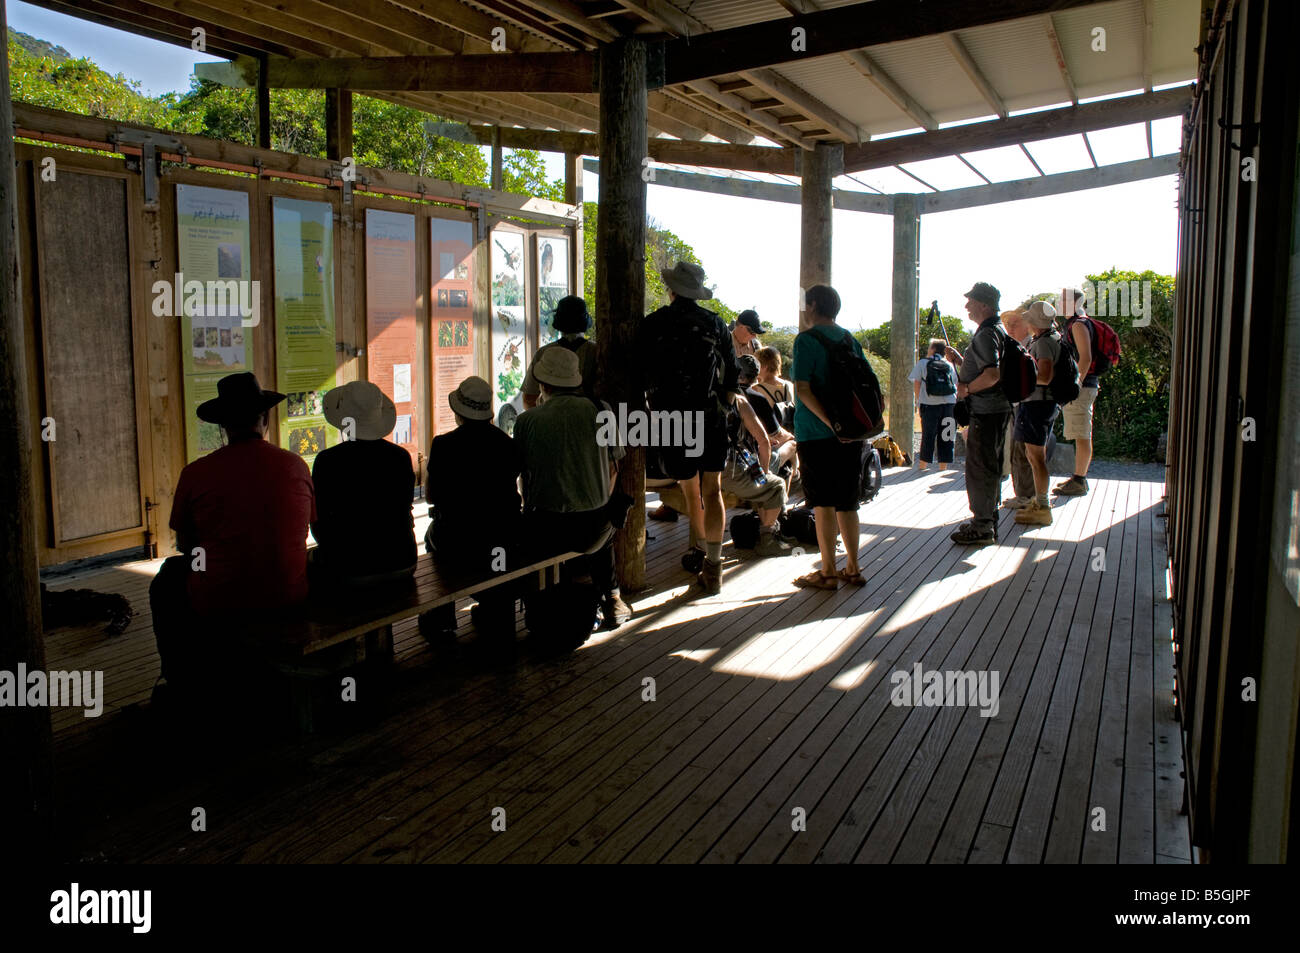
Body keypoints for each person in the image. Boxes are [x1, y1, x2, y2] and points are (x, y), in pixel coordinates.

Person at [149, 372, 315, 694]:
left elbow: (186, 544)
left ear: (222, 426)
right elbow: (306, 527)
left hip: (221, 599)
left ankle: (180, 678)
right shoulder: (295, 465)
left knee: (169, 578)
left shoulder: (196, 473)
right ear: (264, 418)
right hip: (288, 594)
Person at [640, 261, 739, 595]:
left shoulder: (653, 324)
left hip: (671, 421)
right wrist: (721, 409)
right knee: (713, 491)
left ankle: (695, 547)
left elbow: (637, 373)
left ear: (671, 290)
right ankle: (712, 565)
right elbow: (732, 377)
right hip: (710, 418)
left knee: (689, 486)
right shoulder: (715, 324)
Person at [513, 347, 632, 628]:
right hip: (592, 529)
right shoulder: (602, 412)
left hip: (544, 531)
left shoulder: (526, 421)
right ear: (577, 381)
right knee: (603, 521)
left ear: (542, 384)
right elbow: (614, 469)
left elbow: (523, 478)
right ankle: (613, 598)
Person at [421, 376, 523, 637]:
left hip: (458, 543)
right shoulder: (507, 444)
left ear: (459, 413)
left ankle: (442, 618)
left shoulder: (443, 445)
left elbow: (431, 497)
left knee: (432, 537)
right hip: (504, 541)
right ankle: (494, 607)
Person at [790, 284, 866, 589]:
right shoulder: (849, 339)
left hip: (815, 434)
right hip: (850, 435)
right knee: (848, 502)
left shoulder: (806, 341)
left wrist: (829, 423)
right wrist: (845, 428)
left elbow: (803, 389)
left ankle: (828, 572)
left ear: (813, 306)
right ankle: (854, 567)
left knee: (822, 503)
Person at [312, 380, 417, 586]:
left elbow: (318, 522)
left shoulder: (328, 461)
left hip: (350, 568)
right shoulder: (400, 457)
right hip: (402, 562)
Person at [945, 281, 1011, 546]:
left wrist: (966, 388)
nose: (966, 306)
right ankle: (989, 518)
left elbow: (992, 375)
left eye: (971, 301)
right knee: (990, 465)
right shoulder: (997, 330)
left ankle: (982, 526)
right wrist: (962, 362)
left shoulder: (985, 334)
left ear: (984, 304)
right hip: (998, 408)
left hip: (985, 410)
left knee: (979, 467)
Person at [725, 357, 793, 557]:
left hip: (704, 470)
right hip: (731, 468)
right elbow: (764, 440)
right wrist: (763, 473)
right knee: (775, 484)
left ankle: (773, 529)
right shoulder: (740, 401)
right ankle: (768, 538)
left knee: (764, 478)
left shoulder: (704, 397)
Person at [1013, 300, 1062, 526]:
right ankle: (1039, 502)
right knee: (1034, 456)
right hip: (1043, 404)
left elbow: (1045, 376)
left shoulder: (1043, 343)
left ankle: (1042, 506)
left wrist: (1020, 378)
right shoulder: (1053, 338)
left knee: (1036, 457)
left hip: (1038, 405)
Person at [1054, 287, 1097, 497]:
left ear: (1076, 302)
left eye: (1063, 299)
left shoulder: (1079, 325)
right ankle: (1078, 478)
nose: (1059, 303)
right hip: (1083, 385)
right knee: (1080, 432)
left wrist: (1075, 385)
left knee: (1081, 433)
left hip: (1081, 386)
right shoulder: (1075, 323)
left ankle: (1080, 480)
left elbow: (1086, 358)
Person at [521, 295, 598, 409]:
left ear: (558, 321)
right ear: (585, 321)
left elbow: (528, 399)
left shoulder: (543, 353)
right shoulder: (597, 351)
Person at [999, 307, 1038, 510]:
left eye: (1015, 323)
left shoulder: (1031, 347)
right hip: (1019, 405)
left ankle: (1026, 495)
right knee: (1018, 451)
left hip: (1027, 405)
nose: (1010, 327)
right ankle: (1022, 493)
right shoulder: (1019, 347)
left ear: (1027, 325)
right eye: (1008, 324)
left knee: (1023, 452)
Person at [908, 338, 957, 470]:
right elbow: (955, 384)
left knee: (928, 435)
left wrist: (919, 401)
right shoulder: (949, 364)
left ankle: (923, 466)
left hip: (929, 405)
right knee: (947, 435)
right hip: (949, 405)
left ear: (933, 349)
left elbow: (917, 383)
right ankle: (943, 467)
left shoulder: (923, 363)